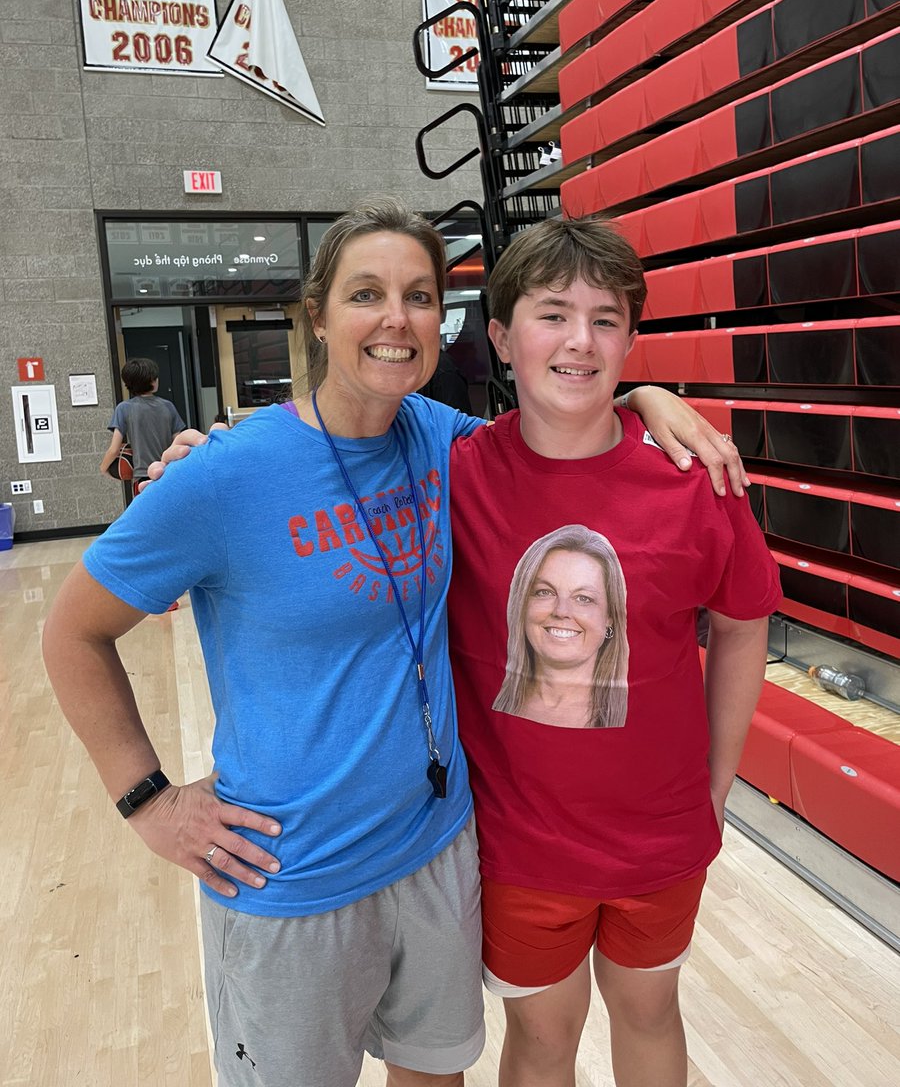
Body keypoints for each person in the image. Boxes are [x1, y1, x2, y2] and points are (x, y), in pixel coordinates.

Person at [44, 198, 750, 1087]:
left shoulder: (442, 442)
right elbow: (70, 631)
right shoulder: (226, 473)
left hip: (438, 851)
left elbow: (562, 420)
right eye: (366, 293)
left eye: (419, 296)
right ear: (318, 315)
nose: (396, 318)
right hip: (288, 874)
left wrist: (648, 396)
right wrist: (146, 799)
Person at [447, 216, 781, 1087]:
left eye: (605, 318)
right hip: (520, 844)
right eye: (552, 313)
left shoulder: (694, 479)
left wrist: (716, 788)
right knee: (544, 1039)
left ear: (632, 339)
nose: (579, 340)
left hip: (661, 838)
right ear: (500, 337)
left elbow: (745, 624)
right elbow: (336, 437)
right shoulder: (453, 474)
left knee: (649, 1012)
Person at [492, 525, 629, 729]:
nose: (561, 611)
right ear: (522, 605)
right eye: (544, 592)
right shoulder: (482, 702)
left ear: (610, 617)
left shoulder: (647, 715)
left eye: (583, 598)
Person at [99, 357, 186, 488]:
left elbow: (114, 449)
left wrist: (103, 468)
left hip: (142, 476)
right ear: (152, 381)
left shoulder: (124, 408)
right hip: (167, 472)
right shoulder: (168, 406)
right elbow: (179, 443)